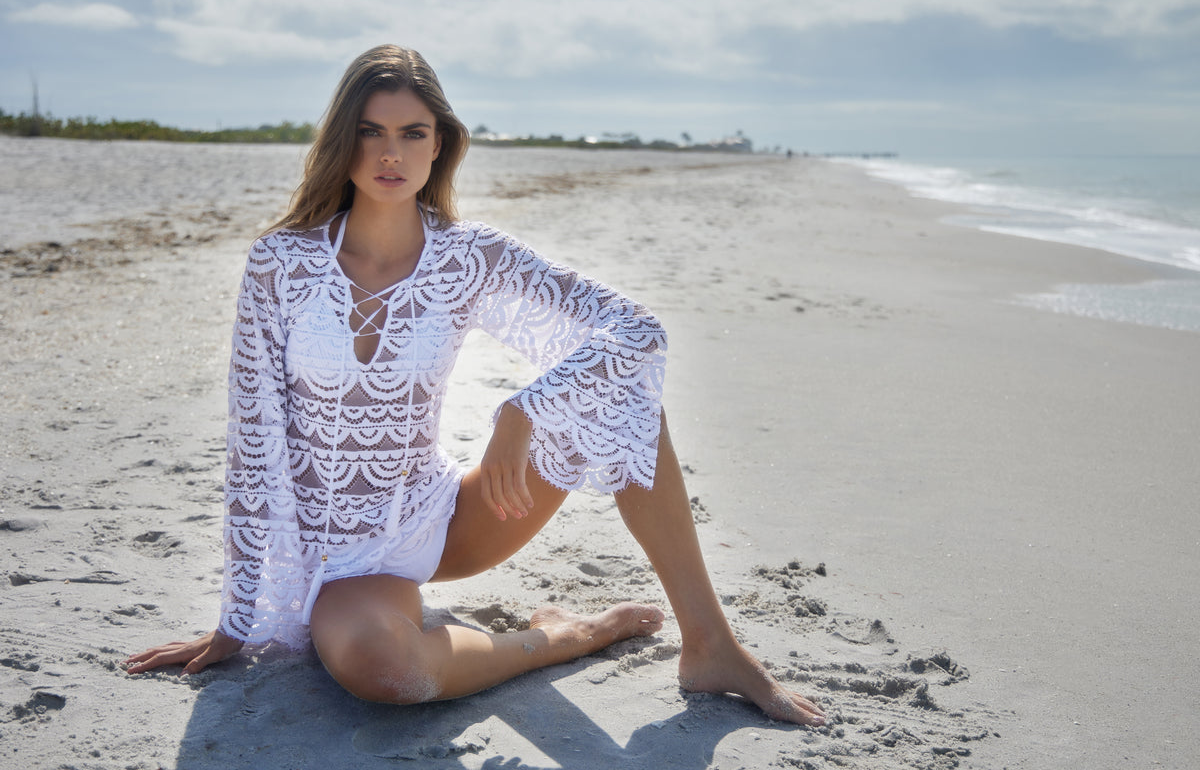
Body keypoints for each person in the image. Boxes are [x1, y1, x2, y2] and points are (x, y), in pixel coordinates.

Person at [125, 45, 826, 727]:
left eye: (411, 133)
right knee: (384, 670)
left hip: (444, 518)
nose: (390, 153)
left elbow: (636, 331)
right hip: (339, 564)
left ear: (441, 145)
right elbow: (254, 442)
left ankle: (710, 644)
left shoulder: (468, 257)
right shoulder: (281, 264)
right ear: (343, 141)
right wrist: (237, 619)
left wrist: (523, 411)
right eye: (370, 132)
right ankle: (562, 638)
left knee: (624, 393)